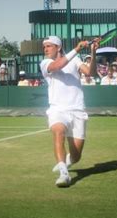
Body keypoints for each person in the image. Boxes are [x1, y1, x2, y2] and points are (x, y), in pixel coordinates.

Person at [40, 35, 98, 188]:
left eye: (49, 46)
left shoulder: (75, 59)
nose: (45, 49)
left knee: (76, 156)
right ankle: (63, 173)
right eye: (44, 47)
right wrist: (77, 49)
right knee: (58, 132)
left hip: (78, 110)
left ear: (58, 47)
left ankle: (65, 162)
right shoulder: (45, 62)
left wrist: (93, 53)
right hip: (57, 109)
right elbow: (57, 66)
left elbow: (90, 73)